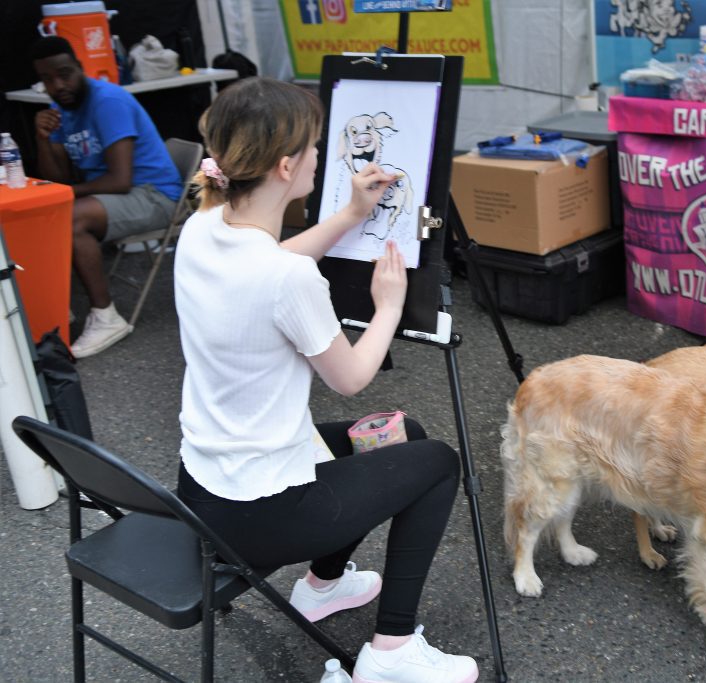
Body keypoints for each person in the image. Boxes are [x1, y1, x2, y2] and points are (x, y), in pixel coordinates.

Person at [173, 77, 478, 683]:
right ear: (287, 166)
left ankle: (323, 584)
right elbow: (352, 379)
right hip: (262, 514)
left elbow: (278, 259)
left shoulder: (203, 224)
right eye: (315, 147)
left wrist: (350, 215)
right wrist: (389, 304)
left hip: (203, 487)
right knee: (439, 460)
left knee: (400, 433)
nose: (323, 156)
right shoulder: (288, 283)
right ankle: (391, 653)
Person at [30, 36, 182, 358]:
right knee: (44, 213)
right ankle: (55, 307)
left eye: (64, 73)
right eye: (47, 80)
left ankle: (106, 316)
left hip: (155, 196)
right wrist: (43, 139)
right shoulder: (60, 109)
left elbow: (119, 180)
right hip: (118, 194)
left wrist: (64, 194)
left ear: (80, 68)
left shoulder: (107, 101)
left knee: (70, 216)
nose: (58, 85)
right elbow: (55, 180)